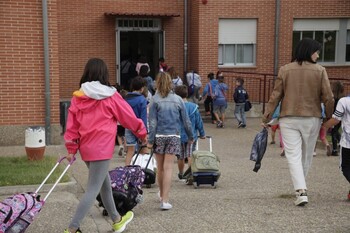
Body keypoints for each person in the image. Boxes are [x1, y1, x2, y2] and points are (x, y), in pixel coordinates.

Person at [63, 58, 147, 233]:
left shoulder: (78, 97)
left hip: (86, 148)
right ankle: (72, 228)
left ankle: (116, 219)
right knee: (93, 189)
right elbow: (128, 117)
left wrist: (71, 149)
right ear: (104, 74)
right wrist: (142, 134)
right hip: (102, 149)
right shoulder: (111, 96)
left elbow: (72, 126)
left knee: (104, 184)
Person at [262, 38, 334, 206]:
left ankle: (301, 190)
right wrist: (329, 116)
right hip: (312, 117)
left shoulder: (285, 70)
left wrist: (266, 117)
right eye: (316, 51)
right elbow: (328, 97)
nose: (318, 55)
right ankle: (302, 188)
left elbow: (275, 96)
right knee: (306, 155)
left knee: (293, 155)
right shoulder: (320, 70)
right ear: (309, 51)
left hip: (288, 117)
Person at [147, 72, 193, 210]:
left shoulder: (154, 100)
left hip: (159, 136)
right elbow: (186, 121)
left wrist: (150, 140)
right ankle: (165, 200)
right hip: (174, 136)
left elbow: (153, 123)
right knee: (168, 168)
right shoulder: (178, 99)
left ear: (157, 83)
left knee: (160, 169)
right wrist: (190, 136)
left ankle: (161, 195)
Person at [174, 85, 205, 179]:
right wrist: (202, 133)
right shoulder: (194, 107)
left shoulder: (175, 107)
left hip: (178, 135)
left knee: (180, 156)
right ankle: (191, 173)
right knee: (190, 154)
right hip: (191, 135)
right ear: (186, 94)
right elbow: (199, 121)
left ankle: (181, 173)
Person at [322, 96, 350, 200]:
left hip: (348, 142)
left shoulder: (344, 101)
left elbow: (336, 119)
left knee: (345, 167)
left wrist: (324, 126)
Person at [124, 76, 148, 165]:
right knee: (142, 151)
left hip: (128, 127)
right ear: (142, 88)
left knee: (130, 151)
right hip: (139, 127)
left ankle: (127, 173)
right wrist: (145, 133)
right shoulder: (142, 100)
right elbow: (143, 117)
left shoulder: (126, 99)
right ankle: (140, 173)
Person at [330, 81, 345, 156]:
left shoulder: (334, 98)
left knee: (333, 132)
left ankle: (335, 150)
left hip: (335, 117)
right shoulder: (343, 98)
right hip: (341, 117)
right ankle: (340, 144)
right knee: (335, 131)